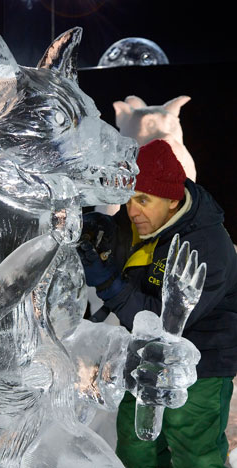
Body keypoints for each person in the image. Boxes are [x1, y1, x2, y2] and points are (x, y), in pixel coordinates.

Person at [78, 138, 237, 467]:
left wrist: (109, 283)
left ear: (171, 200)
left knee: (194, 450)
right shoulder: (140, 220)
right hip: (142, 357)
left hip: (201, 363)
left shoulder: (207, 246)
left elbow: (167, 322)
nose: (132, 210)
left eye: (143, 200)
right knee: (137, 447)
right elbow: (122, 240)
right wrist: (98, 233)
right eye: (128, 199)